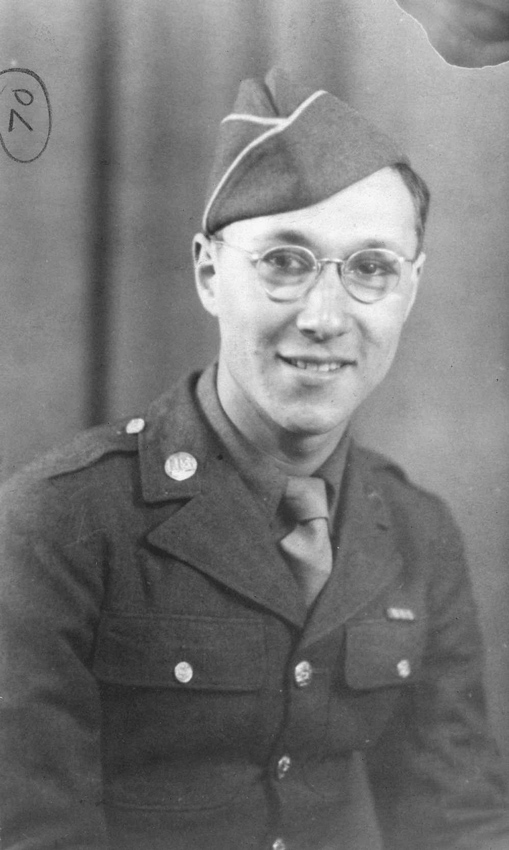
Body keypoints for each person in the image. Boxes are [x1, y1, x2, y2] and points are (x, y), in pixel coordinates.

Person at [0, 67, 508, 850]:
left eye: (371, 268)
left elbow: (458, 821)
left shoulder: (417, 530)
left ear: (410, 288)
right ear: (209, 273)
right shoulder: (60, 520)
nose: (324, 317)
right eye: (283, 262)